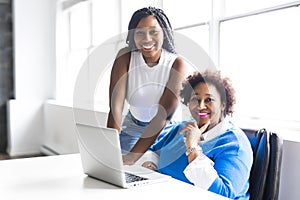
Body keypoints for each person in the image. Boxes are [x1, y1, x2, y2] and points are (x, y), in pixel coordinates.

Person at [137, 70, 253, 199]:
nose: (200, 106)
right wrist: (150, 168)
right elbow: (153, 152)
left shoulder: (234, 144)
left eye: (209, 99)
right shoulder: (181, 128)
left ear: (223, 105)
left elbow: (223, 195)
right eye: (195, 99)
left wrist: (192, 148)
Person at [106, 7, 188, 164]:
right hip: (133, 126)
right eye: (140, 33)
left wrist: (132, 157)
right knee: (120, 170)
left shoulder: (177, 64)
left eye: (153, 32)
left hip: (167, 130)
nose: (147, 38)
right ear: (133, 35)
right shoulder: (125, 58)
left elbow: (162, 116)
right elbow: (116, 107)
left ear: (164, 33)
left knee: (157, 172)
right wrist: (111, 147)